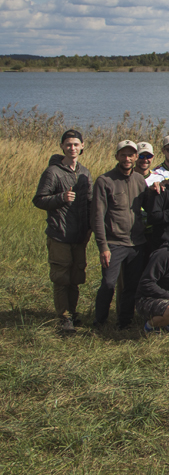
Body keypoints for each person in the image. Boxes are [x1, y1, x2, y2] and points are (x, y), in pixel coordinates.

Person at [33, 129, 92, 332]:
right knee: (61, 277)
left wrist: (89, 229)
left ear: (82, 146)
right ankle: (64, 317)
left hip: (79, 235)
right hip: (59, 233)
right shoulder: (53, 172)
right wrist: (60, 198)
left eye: (76, 144)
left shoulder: (85, 172)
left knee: (76, 277)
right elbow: (39, 200)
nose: (72, 148)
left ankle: (73, 313)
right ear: (62, 147)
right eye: (68, 144)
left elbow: (89, 203)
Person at [90, 140, 149, 331]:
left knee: (131, 286)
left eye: (131, 155)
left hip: (136, 243)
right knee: (108, 284)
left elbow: (149, 206)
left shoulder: (139, 180)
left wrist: (160, 189)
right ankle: (100, 321)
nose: (127, 158)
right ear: (116, 156)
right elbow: (97, 216)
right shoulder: (105, 181)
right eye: (123, 154)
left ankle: (125, 322)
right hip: (114, 243)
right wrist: (103, 246)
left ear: (136, 157)